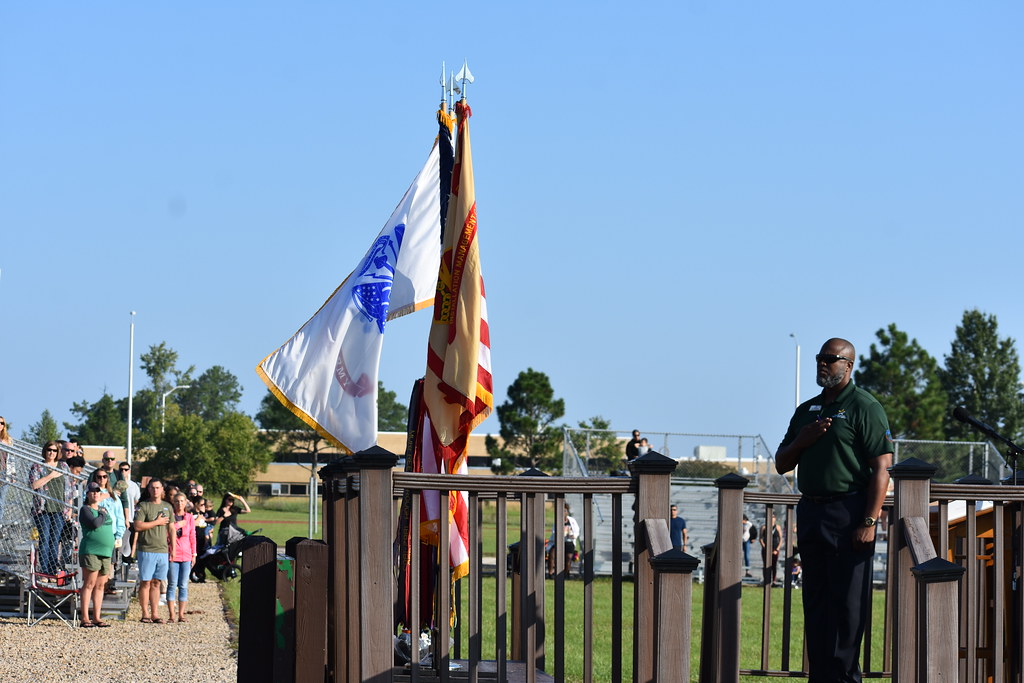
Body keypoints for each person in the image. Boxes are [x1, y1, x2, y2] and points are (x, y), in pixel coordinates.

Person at [775, 337, 892, 683]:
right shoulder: (807, 410)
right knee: (816, 601)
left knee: (847, 606)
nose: (823, 364)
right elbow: (782, 462)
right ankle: (820, 676)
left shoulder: (864, 406)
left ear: (849, 365)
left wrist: (869, 520)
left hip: (849, 513)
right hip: (811, 512)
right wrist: (803, 440)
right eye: (820, 358)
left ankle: (844, 678)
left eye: (831, 359)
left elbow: (882, 469)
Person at [134, 478, 174, 624]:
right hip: (147, 549)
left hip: (162, 550)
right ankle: (145, 613)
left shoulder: (167, 507)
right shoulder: (143, 506)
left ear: (162, 490)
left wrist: (173, 549)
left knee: (157, 582)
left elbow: (171, 528)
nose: (155, 490)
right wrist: (157, 522)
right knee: (146, 581)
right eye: (152, 488)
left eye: (158, 488)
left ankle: (155, 613)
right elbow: (137, 526)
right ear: (149, 489)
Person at [79, 482, 115, 627]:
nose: (95, 493)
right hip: (91, 551)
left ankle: (97, 617)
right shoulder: (85, 509)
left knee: (100, 585)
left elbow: (107, 523)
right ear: (87, 494)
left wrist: (102, 513)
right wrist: (102, 514)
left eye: (97, 491)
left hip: (105, 552)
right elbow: (95, 524)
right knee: (89, 584)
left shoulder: (104, 509)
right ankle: (85, 617)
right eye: (92, 491)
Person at [29, 441, 66, 575]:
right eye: (49, 450)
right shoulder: (38, 466)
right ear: (45, 451)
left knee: (55, 541)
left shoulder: (63, 466)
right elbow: (34, 485)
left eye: (55, 450)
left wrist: (69, 508)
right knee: (44, 540)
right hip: (43, 509)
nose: (52, 453)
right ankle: (44, 572)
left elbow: (70, 488)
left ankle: (52, 571)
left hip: (59, 509)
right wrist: (50, 475)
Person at [166, 492, 196, 622]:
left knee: (183, 585)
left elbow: (192, 537)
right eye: (177, 501)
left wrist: (194, 554)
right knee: (172, 584)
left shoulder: (189, 517)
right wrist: (178, 525)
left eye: (182, 501)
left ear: (186, 503)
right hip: (173, 554)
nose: (180, 504)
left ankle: (181, 614)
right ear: (174, 502)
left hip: (186, 554)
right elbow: (167, 533)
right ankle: (172, 614)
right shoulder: (169, 517)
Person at [546, 503, 580, 577]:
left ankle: (565, 573)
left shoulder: (572, 521)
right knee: (552, 555)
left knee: (568, 557)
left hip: (569, 542)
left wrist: (571, 535)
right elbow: (554, 532)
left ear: (567, 512)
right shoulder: (557, 521)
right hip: (558, 542)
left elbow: (576, 531)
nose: (563, 512)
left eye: (564, 511)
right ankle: (550, 573)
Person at [760, 517, 782, 585]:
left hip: (775, 549)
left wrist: (777, 549)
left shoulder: (777, 527)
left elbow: (781, 539)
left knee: (774, 565)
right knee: (766, 564)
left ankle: (774, 580)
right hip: (766, 549)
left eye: (773, 517)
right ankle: (766, 579)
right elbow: (760, 538)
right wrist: (764, 547)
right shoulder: (763, 527)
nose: (772, 518)